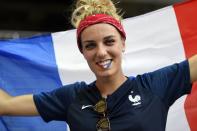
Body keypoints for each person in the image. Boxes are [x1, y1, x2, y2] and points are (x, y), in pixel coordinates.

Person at [0, 0, 197, 131]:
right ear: (83, 52)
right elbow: (6, 105)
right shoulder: (71, 97)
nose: (101, 52)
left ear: (123, 43)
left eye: (109, 41)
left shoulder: (154, 86)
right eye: (91, 45)